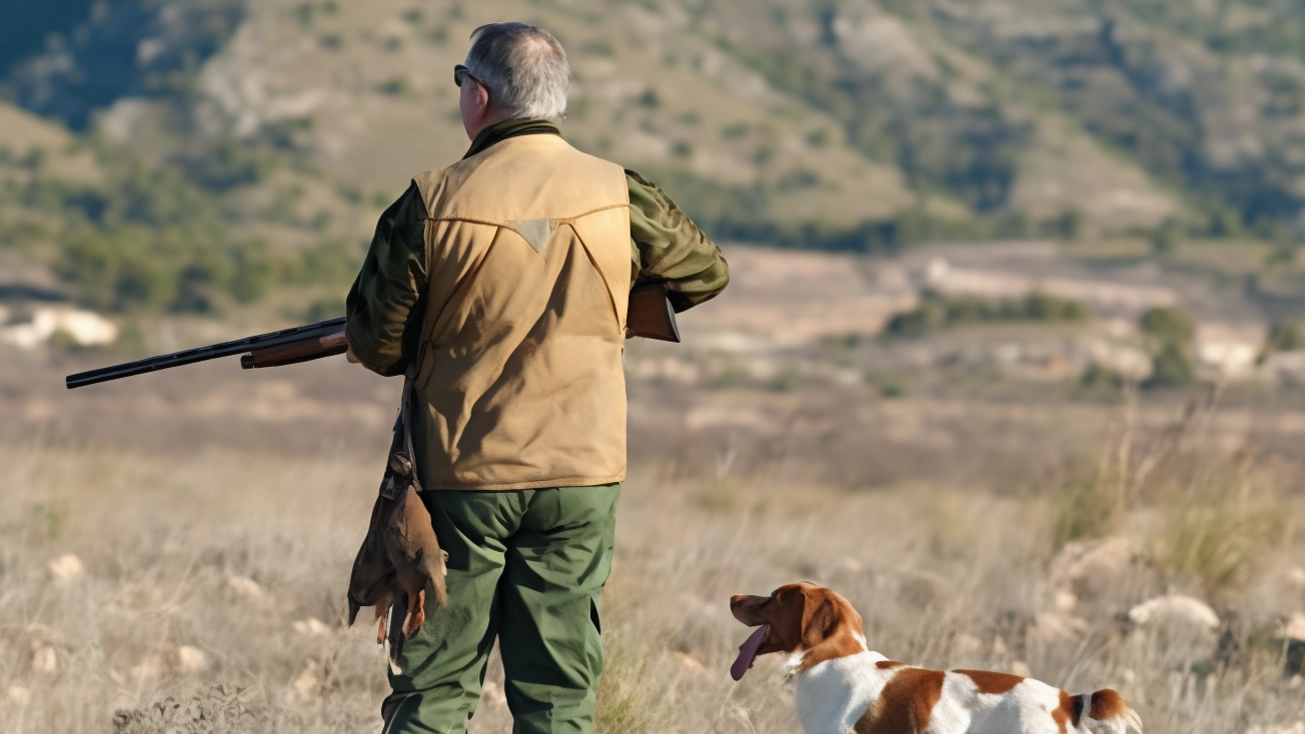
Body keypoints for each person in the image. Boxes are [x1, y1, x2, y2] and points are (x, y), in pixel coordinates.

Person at [343, 21, 729, 734]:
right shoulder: (621, 193)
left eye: (460, 83)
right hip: (582, 473)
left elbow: (373, 343)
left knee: (432, 696)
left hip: (463, 476)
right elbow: (705, 271)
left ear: (479, 95)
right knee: (557, 698)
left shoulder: (428, 201)